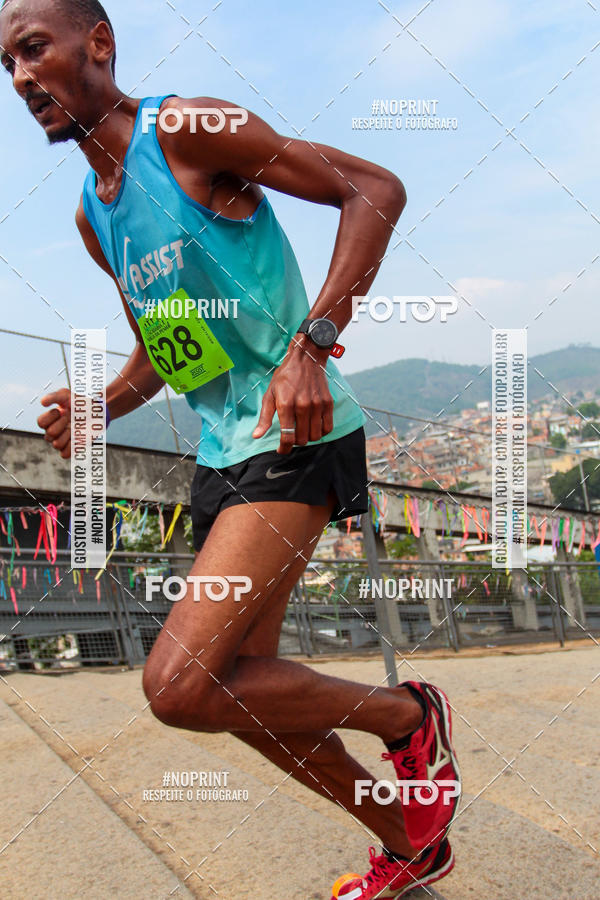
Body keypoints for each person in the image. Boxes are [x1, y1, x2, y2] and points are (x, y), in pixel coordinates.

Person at [0, 0, 461, 894]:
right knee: (238, 696)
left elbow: (375, 189)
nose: (19, 79)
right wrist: (104, 404)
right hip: (224, 453)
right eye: (3, 66)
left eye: (33, 50)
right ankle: (409, 842)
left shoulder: (187, 127)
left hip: (299, 431)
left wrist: (310, 346)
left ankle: (410, 717)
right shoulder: (97, 216)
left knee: (178, 686)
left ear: (97, 43)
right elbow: (173, 353)